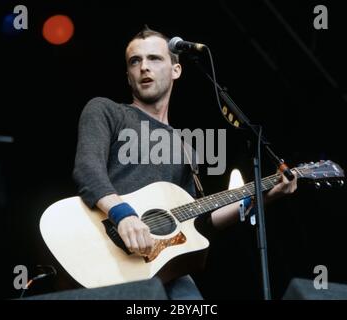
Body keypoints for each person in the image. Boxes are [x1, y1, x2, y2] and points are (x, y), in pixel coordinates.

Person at [73, 26, 297, 300]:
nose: (144, 67)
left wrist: (266, 197)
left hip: (166, 265)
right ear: (129, 76)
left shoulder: (185, 148)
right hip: (111, 254)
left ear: (176, 70)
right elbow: (87, 171)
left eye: (154, 59)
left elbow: (200, 221)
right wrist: (124, 215)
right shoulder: (106, 110)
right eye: (135, 61)